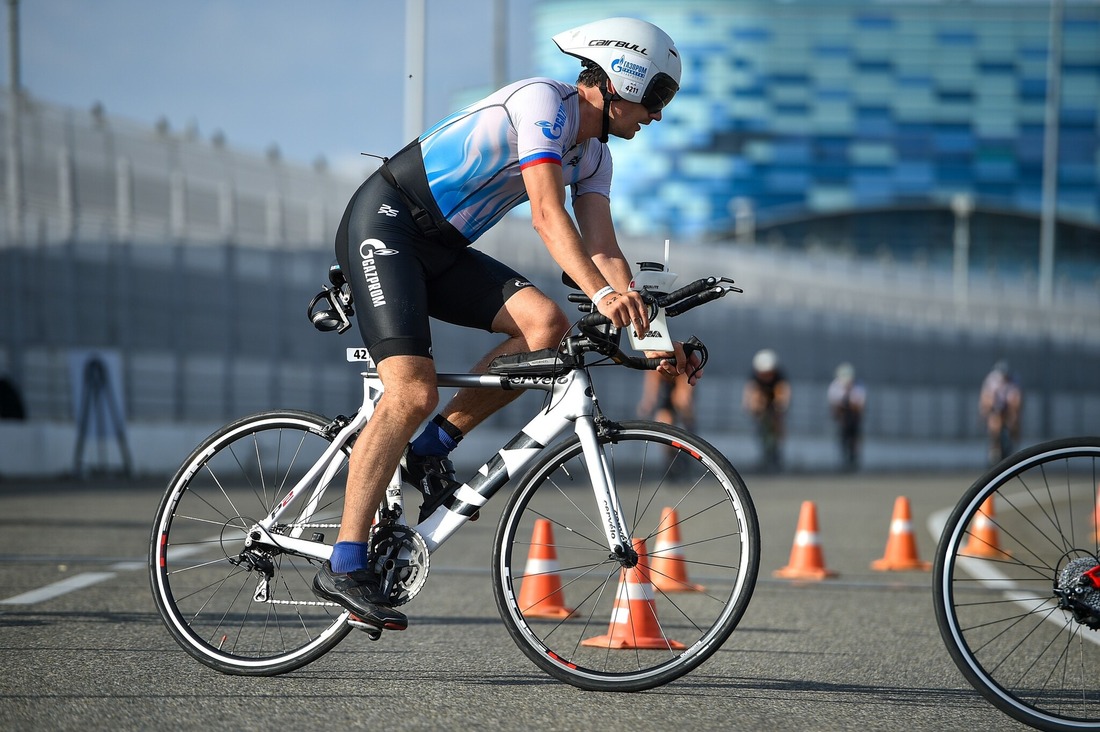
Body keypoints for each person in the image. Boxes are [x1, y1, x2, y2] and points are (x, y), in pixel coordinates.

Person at [312, 18, 695, 633]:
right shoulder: (542, 104)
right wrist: (602, 295)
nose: (656, 115)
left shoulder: (594, 155)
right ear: (621, 79)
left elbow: (603, 251)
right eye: (656, 97)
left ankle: (429, 448)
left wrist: (655, 339)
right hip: (387, 225)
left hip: (441, 248)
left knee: (545, 328)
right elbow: (547, 215)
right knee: (411, 389)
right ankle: (346, 559)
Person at [742, 349, 790, 471]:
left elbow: (784, 395)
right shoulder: (754, 379)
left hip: (775, 406)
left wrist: (780, 409)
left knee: (776, 431)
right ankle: (766, 456)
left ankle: (775, 456)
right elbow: (749, 396)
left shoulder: (780, 378)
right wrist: (754, 409)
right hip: (762, 406)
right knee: (762, 431)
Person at [979, 359, 1022, 464]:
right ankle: (994, 449)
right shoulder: (992, 380)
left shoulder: (1013, 380)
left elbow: (1016, 399)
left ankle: (1014, 445)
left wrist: (1014, 415)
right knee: (994, 423)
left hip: (1008, 408)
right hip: (995, 407)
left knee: (1014, 420)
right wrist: (986, 411)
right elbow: (986, 398)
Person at [826, 362, 866, 471]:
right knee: (842, 438)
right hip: (842, 417)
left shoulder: (858, 386)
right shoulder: (835, 386)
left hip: (854, 416)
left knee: (854, 438)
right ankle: (844, 460)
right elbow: (834, 406)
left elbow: (860, 406)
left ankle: (854, 459)